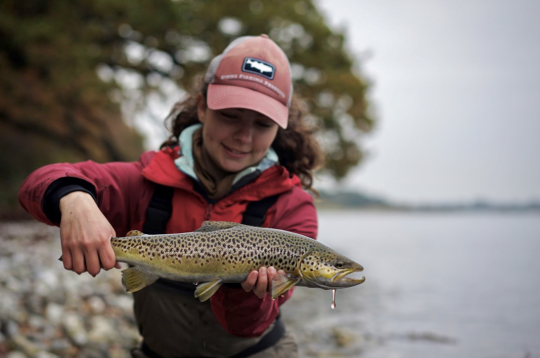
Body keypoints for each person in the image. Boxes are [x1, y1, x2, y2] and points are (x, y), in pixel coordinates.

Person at [19, 34, 324, 358]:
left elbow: (246, 327)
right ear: (203, 107)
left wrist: (246, 288)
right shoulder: (149, 180)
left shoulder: (293, 207)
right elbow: (39, 182)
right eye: (230, 116)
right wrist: (75, 200)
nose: (244, 136)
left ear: (281, 128)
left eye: (262, 124)